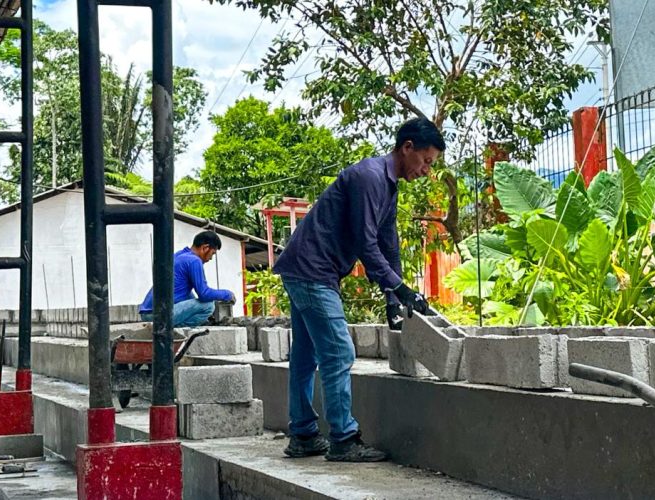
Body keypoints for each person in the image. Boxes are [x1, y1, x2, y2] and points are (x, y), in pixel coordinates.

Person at [273, 117, 443, 462]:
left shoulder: (388, 185)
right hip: (313, 271)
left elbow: (388, 243)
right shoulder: (369, 177)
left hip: (309, 269)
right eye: (425, 161)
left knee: (305, 356)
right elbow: (366, 245)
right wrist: (399, 287)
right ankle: (344, 438)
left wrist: (394, 300)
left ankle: (304, 434)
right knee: (339, 352)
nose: (426, 171)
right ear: (407, 147)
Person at [139, 231, 235, 327]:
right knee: (208, 306)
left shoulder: (178, 255)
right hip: (158, 316)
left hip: (146, 314)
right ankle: (176, 329)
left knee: (188, 293)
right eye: (212, 253)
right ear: (205, 248)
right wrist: (227, 294)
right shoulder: (194, 261)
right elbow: (204, 294)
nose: (211, 258)